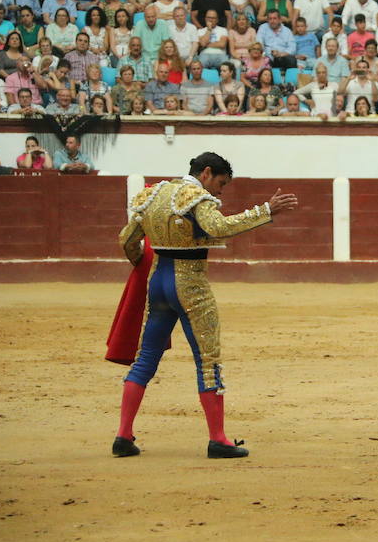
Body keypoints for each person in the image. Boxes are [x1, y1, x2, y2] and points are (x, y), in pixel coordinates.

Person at [113, 152, 298, 459]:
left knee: (145, 359)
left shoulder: (152, 195)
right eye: (220, 183)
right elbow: (219, 228)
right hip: (190, 286)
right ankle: (218, 439)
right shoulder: (196, 197)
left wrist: (141, 266)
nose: (220, 192)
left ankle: (123, 435)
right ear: (207, 173)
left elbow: (127, 240)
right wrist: (265, 210)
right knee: (208, 360)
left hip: (157, 283)